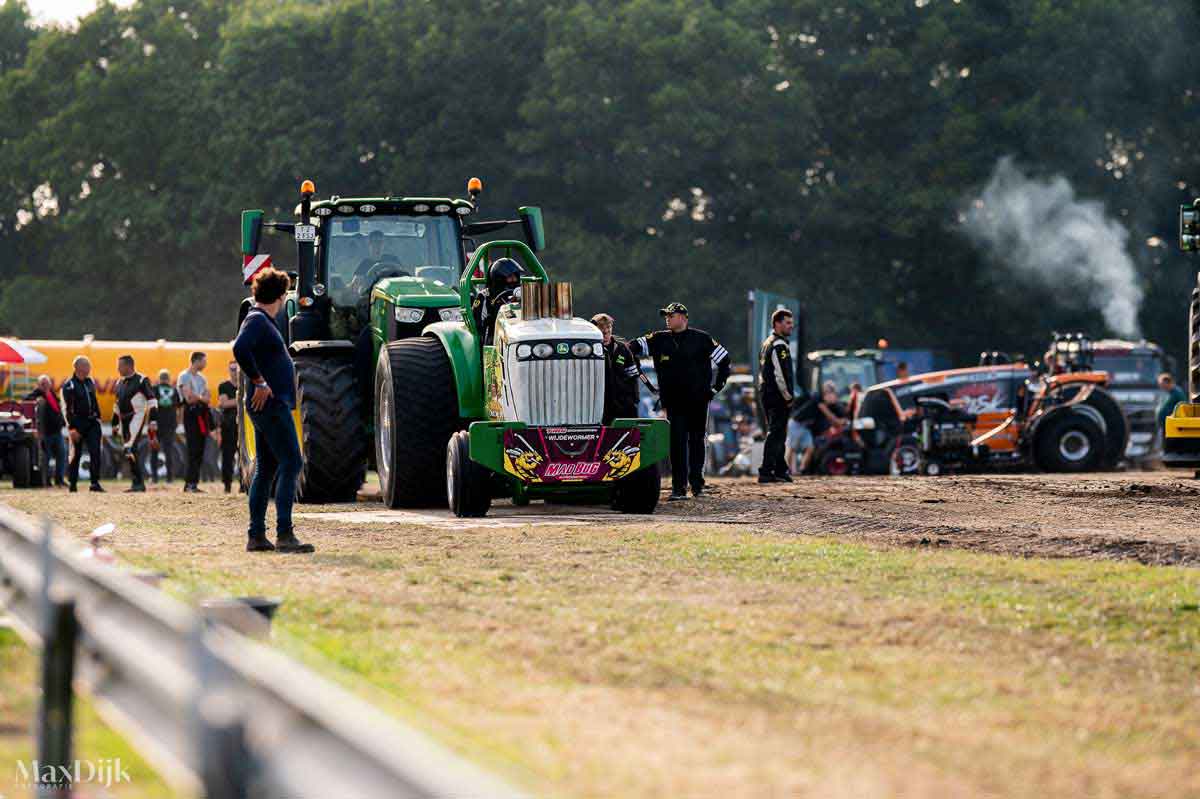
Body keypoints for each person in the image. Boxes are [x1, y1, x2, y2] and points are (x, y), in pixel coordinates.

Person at [233, 266, 315, 554]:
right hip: (271, 405)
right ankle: (284, 534)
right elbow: (240, 349)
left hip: (268, 405)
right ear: (280, 296)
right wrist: (259, 381)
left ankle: (257, 536)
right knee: (292, 462)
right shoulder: (257, 320)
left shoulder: (259, 320)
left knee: (267, 468)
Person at [629, 302, 731, 500]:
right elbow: (630, 348)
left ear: (684, 317)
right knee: (676, 444)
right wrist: (641, 376)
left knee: (697, 442)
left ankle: (697, 485)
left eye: (671, 315)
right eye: (666, 315)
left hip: (698, 401)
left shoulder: (702, 339)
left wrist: (715, 389)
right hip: (673, 402)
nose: (667, 318)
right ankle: (678, 488)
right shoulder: (658, 339)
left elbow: (725, 360)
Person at [757, 308, 795, 484]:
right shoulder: (779, 345)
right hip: (777, 396)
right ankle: (766, 471)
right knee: (776, 433)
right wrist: (788, 397)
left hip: (767, 394)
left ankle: (780, 470)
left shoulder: (767, 343)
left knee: (777, 432)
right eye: (787, 323)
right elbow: (781, 374)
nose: (791, 326)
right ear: (777, 324)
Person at [112, 354, 157, 493]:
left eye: (120, 366)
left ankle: (139, 483)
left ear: (128, 366)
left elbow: (152, 401)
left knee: (129, 448)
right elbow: (116, 405)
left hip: (137, 417)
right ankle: (136, 482)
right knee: (129, 450)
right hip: (124, 420)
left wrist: (153, 420)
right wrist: (114, 424)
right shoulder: (119, 382)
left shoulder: (142, 380)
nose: (117, 368)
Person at [62, 356, 104, 493]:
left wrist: (98, 417)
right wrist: (72, 428)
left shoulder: (89, 382)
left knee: (95, 452)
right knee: (76, 454)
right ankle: (72, 483)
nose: (89, 368)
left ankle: (94, 483)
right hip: (78, 423)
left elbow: (94, 400)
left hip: (92, 423)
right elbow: (67, 409)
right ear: (78, 367)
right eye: (87, 366)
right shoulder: (69, 385)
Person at [591, 313, 640, 424]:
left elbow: (633, 376)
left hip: (623, 404)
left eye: (608, 327)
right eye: (602, 328)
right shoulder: (589, 350)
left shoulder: (623, 348)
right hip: (600, 404)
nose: (606, 331)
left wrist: (634, 400)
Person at [178, 351, 211, 493]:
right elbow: (188, 398)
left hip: (201, 413)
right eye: (204, 361)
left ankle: (194, 482)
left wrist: (197, 397)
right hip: (190, 414)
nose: (205, 364)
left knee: (200, 449)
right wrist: (200, 397)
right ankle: (188, 483)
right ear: (196, 361)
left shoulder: (202, 379)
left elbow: (207, 398)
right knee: (192, 448)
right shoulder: (184, 376)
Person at [27, 375, 66, 487]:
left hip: (57, 432)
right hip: (45, 433)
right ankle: (46, 481)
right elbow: (26, 400)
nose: (45, 385)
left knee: (62, 456)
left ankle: (59, 480)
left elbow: (58, 408)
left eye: (47, 383)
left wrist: (62, 421)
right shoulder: (36, 394)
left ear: (50, 384)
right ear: (39, 385)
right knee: (45, 459)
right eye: (42, 383)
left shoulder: (52, 394)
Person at [471, 257, 522, 344]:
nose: (514, 280)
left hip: (519, 332)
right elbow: (478, 326)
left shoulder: (522, 293)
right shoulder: (484, 296)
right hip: (494, 336)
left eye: (515, 276)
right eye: (510, 277)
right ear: (499, 278)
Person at [151, 369, 180, 483]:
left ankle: (154, 478)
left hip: (156, 424)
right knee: (169, 451)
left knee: (154, 451)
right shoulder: (174, 390)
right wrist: (178, 422)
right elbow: (178, 407)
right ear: (169, 379)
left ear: (159, 378)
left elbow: (151, 406)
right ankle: (169, 478)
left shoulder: (154, 389)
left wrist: (151, 421)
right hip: (170, 425)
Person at [217, 361, 239, 493]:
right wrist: (241, 400)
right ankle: (227, 485)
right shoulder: (224, 386)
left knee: (244, 456)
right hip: (228, 425)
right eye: (232, 369)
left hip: (242, 425)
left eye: (236, 369)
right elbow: (224, 403)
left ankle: (244, 484)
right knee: (228, 456)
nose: (234, 371)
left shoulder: (245, 385)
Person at [1158, 372, 1187, 438]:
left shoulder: (1177, 393)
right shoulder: (1167, 393)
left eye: (1162, 384)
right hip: (1165, 426)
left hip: (1173, 427)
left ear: (1168, 383)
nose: (1161, 386)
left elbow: (1183, 407)